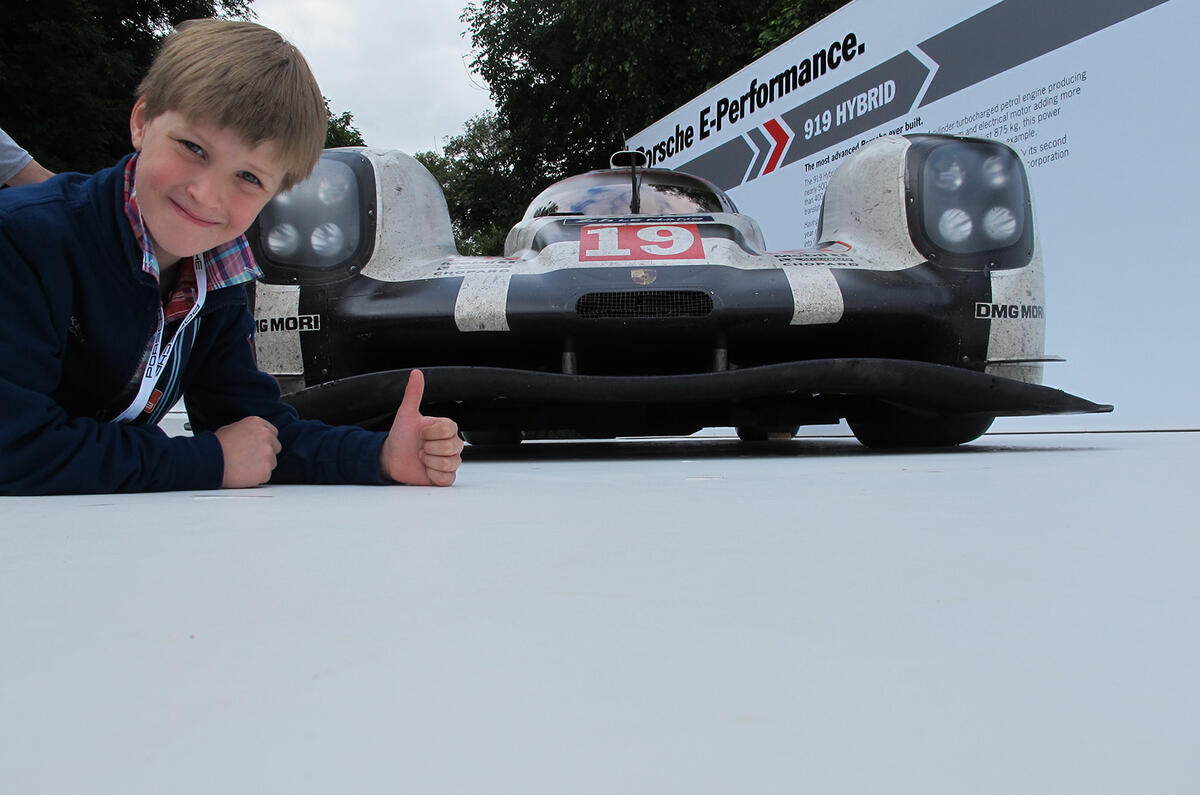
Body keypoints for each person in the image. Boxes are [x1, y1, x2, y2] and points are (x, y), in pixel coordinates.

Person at [0, 20, 463, 495]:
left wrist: (380, 455)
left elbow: (253, 434)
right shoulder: (25, 239)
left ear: (275, 194)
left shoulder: (214, 275)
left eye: (248, 177)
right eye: (192, 148)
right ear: (142, 122)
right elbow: (13, 448)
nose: (205, 194)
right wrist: (207, 461)